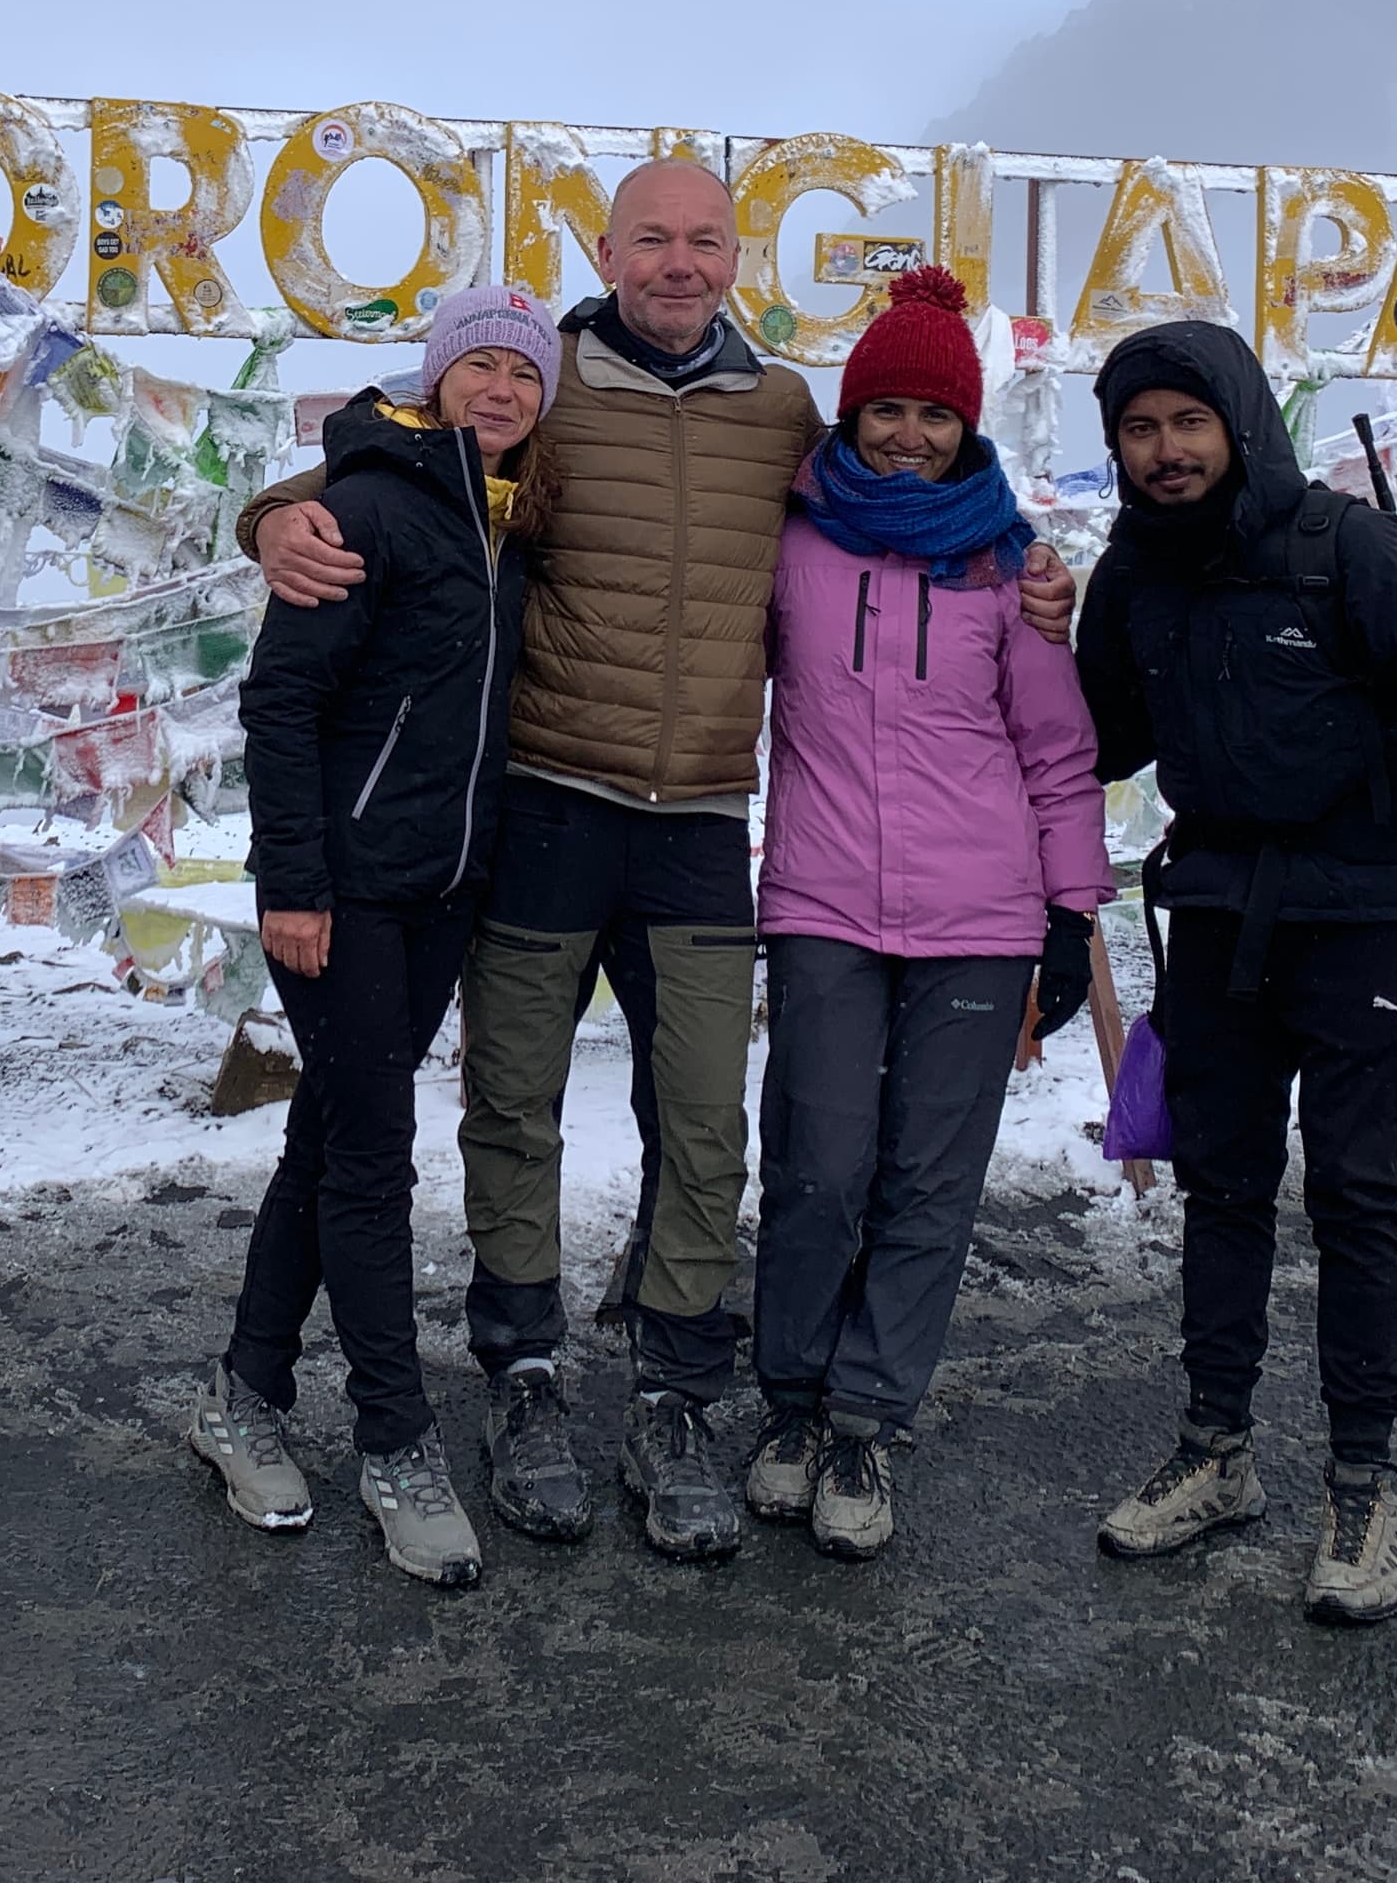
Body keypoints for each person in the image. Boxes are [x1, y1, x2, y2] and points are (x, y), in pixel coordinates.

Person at [249, 164, 1077, 1559]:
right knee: (514, 1106)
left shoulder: (784, 415)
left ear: (733, 253)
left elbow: (914, 509)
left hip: (701, 820)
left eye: (704, 240)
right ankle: (520, 1370)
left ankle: (680, 1387)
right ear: (607, 248)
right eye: (653, 239)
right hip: (545, 808)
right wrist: (269, 516)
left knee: (704, 1125)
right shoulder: (546, 380)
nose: (679, 264)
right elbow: (403, 458)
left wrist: (1043, 571)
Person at [1072, 319, 1397, 1625]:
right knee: (1221, 1191)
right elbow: (1102, 737)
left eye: (1186, 425)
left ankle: (1363, 1485)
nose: (1165, 453)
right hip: (1217, 908)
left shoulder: (1347, 549)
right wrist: (1032, 633)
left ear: (1238, 425)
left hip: (1361, 918)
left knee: (1356, 1198)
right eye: (1140, 432)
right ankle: (1217, 1451)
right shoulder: (1133, 579)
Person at [742, 269, 1111, 1561]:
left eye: (933, 415)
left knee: (927, 1181)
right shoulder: (789, 539)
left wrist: (1069, 916)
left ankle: (867, 1420)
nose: (907, 434)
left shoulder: (1012, 568)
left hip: (982, 916)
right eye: (885, 409)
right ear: (850, 415)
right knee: (819, 1167)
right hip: (826, 902)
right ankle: (787, 1403)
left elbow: (1058, 754)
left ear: (968, 428)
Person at [188, 284, 551, 1588]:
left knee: (330, 1132)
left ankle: (243, 1392)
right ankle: (395, 1440)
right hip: (342, 892)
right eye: (482, 367)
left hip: (442, 893)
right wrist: (292, 884)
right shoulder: (368, 511)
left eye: (526, 374)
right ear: (438, 378)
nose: (503, 390)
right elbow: (281, 705)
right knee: (373, 1163)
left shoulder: (507, 525)